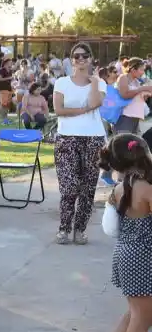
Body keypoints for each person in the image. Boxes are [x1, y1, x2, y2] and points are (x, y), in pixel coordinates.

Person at [93, 134, 152, 332]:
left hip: (128, 255)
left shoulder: (121, 187)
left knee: (134, 313)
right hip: (143, 257)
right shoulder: (146, 188)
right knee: (141, 319)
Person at [52, 43, 106, 245]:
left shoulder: (99, 83)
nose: (80, 59)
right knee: (69, 186)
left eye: (84, 56)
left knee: (88, 187)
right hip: (67, 137)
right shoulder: (62, 82)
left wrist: (93, 82)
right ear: (71, 59)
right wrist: (82, 111)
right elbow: (59, 109)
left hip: (93, 138)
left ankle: (80, 229)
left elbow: (94, 103)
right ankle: (64, 228)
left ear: (91, 59)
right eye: (76, 56)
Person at [113, 58, 152, 136]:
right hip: (124, 118)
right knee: (124, 143)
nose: (143, 72)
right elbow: (124, 95)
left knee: (134, 145)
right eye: (141, 70)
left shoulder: (136, 81)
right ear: (133, 69)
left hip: (135, 119)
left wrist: (144, 96)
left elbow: (135, 98)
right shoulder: (123, 78)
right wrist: (142, 89)